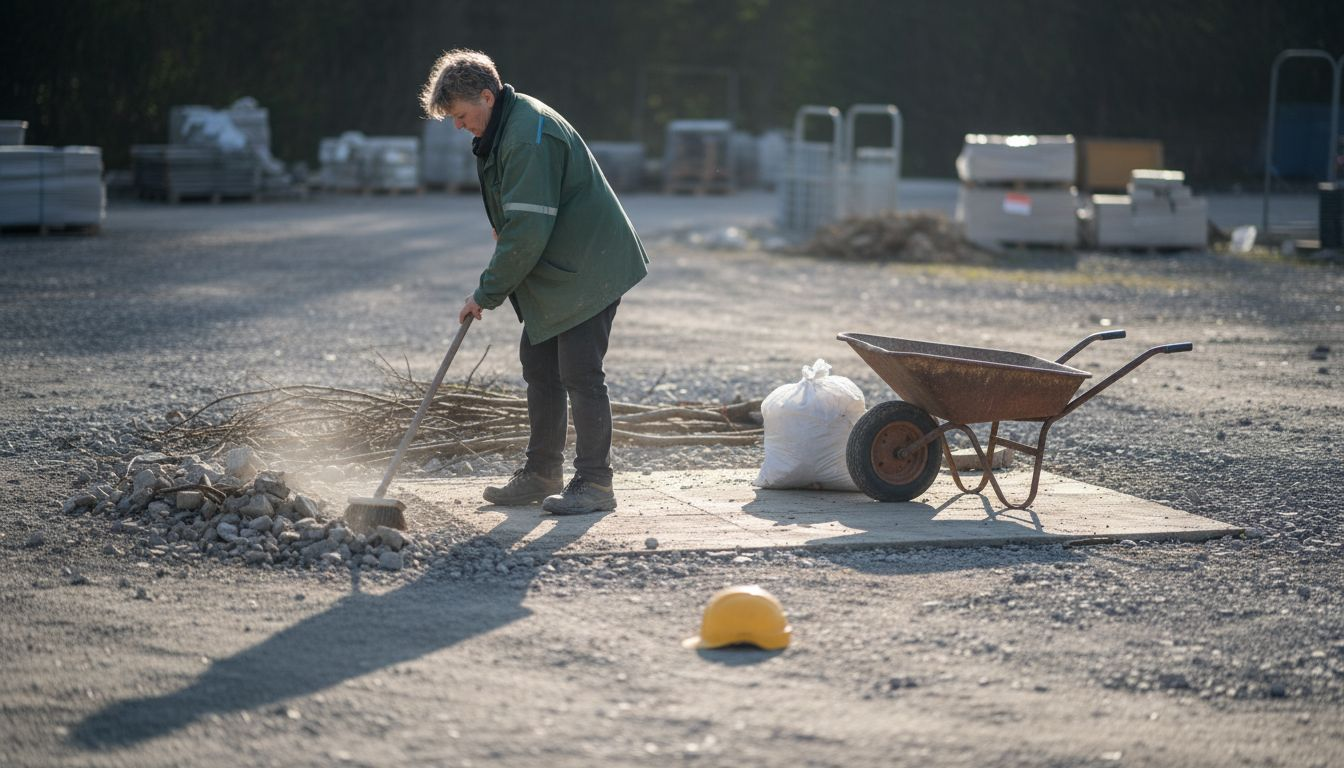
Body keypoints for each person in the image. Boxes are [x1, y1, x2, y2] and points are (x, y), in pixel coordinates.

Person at [420, 49, 648, 515]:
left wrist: (485, 294)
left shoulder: (526, 135)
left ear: (487, 96)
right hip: (559, 264)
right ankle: (542, 472)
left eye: (462, 116)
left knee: (580, 373)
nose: (460, 126)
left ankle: (595, 484)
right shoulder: (504, 124)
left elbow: (526, 232)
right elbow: (520, 222)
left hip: (589, 266)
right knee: (540, 366)